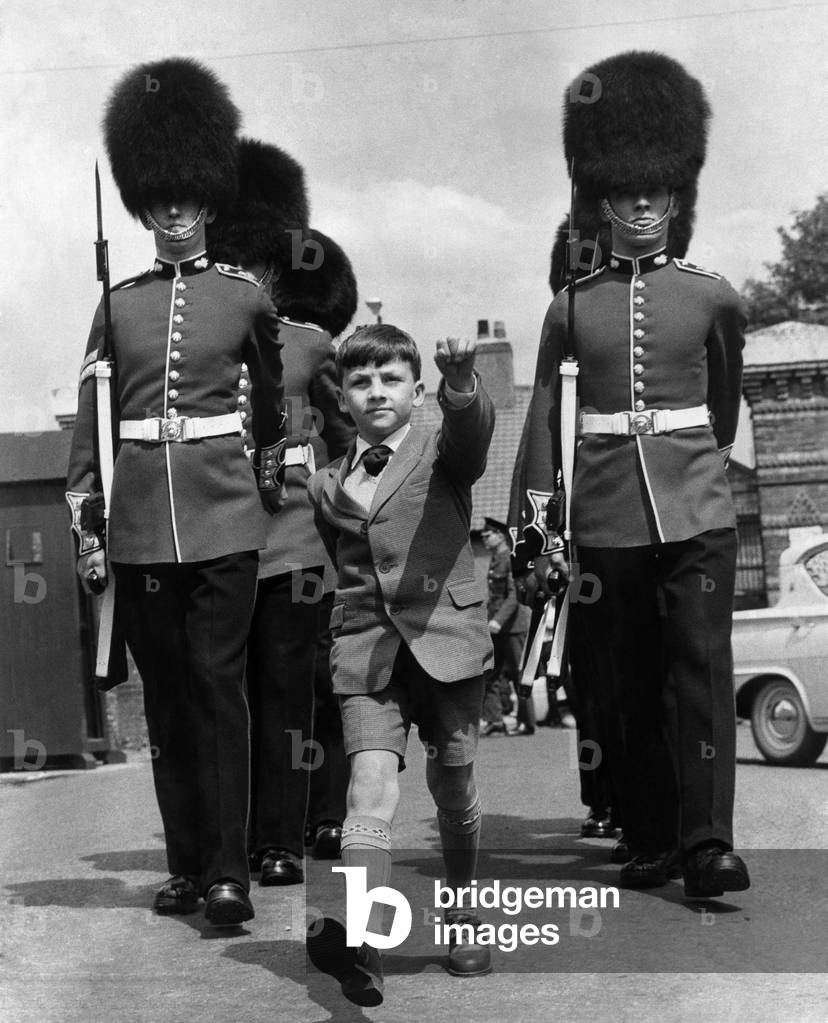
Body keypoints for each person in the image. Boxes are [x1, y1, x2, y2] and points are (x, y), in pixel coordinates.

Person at [510, 51, 750, 899]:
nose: (643, 202)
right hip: (608, 515)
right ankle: (651, 834)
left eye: (657, 188)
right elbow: (544, 421)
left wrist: (689, 467)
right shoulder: (571, 307)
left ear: (676, 193)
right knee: (631, 678)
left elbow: (721, 411)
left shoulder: (713, 296)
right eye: (627, 189)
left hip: (697, 507)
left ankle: (708, 840)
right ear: (600, 195)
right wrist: (537, 529)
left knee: (701, 669)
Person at [66, 58, 287, 927]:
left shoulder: (244, 301)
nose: (173, 212)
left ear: (207, 199)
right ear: (145, 202)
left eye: (185, 198)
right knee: (165, 700)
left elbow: (273, 411)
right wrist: (88, 522)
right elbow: (89, 428)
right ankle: (187, 864)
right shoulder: (116, 307)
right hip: (141, 529)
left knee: (218, 689)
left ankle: (230, 867)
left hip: (225, 516)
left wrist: (260, 487)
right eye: (158, 198)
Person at [305, 325, 495, 1006]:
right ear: (343, 398)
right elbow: (355, 568)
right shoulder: (326, 483)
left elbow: (471, 436)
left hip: (448, 642)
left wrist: (463, 384)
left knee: (453, 785)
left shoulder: (442, 452)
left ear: (415, 390)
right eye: (361, 382)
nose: (376, 391)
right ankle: (366, 938)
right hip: (367, 650)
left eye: (390, 379)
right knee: (368, 787)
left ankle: (464, 907)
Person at [207, 138, 357, 884]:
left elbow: (344, 439)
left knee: (288, 690)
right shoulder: (203, 342)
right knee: (228, 695)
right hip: (215, 533)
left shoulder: (306, 344)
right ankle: (235, 837)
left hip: (295, 537)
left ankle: (278, 838)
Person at [479, 517, 532, 736]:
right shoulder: (495, 559)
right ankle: (495, 720)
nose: (484, 538)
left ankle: (526, 722)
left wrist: (498, 620)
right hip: (496, 627)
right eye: (482, 536)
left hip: (512, 625)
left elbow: (513, 595)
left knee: (520, 674)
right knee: (490, 674)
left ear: (500, 536)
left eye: (488, 535)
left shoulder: (510, 559)